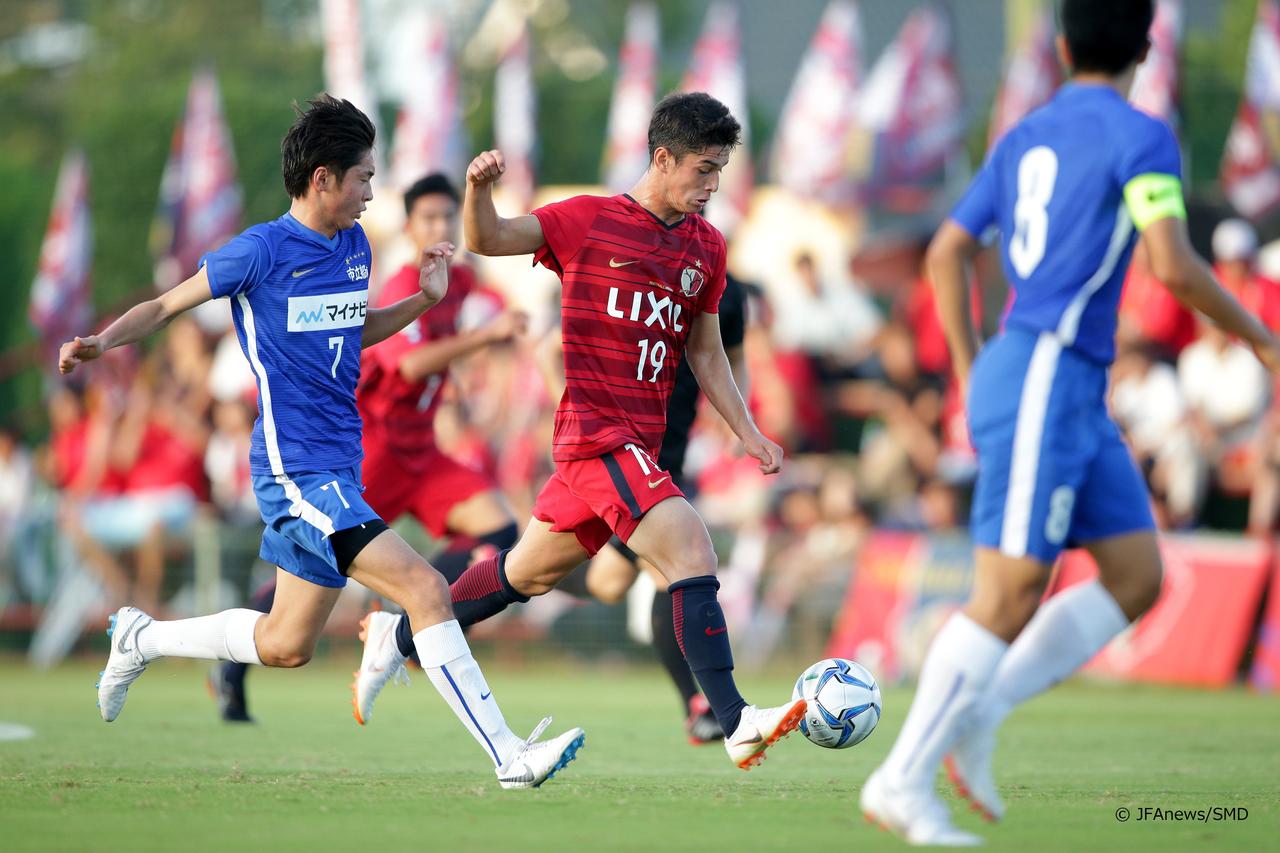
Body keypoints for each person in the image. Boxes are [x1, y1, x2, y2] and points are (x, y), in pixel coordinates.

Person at [60, 94, 583, 789]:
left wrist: (423, 301)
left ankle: (141, 636)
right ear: (323, 178)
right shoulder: (260, 250)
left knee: (285, 644)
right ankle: (510, 757)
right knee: (425, 586)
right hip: (295, 469)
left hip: (340, 464)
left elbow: (352, 331)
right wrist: (101, 342)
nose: (371, 192)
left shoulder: (354, 247)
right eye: (364, 177)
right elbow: (165, 304)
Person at [859, 1, 1280, 845]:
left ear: (1058, 46)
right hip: (1048, 370)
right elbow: (1172, 263)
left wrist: (972, 368)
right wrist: (1265, 341)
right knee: (1009, 590)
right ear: (1146, 47)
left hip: (1064, 381)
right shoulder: (1142, 134)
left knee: (1135, 575)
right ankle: (899, 779)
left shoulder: (1025, 133)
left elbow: (946, 251)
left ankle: (982, 713)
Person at [352, 91, 805, 770]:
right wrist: (478, 191)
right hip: (597, 434)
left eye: (720, 171)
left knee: (522, 573)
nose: (713, 185)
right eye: (704, 169)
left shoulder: (707, 248)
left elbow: (706, 352)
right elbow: (489, 239)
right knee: (689, 547)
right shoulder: (588, 219)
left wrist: (747, 430)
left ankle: (397, 635)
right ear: (663, 158)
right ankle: (735, 720)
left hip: (636, 444)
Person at [209, 172, 528, 724]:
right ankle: (232, 666)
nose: (441, 226)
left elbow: (444, 356)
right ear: (409, 227)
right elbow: (408, 363)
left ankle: (407, 629)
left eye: (447, 216)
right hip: (375, 449)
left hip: (424, 454)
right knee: (318, 564)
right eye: (429, 217)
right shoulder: (403, 280)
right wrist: (484, 336)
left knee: (499, 529)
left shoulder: (460, 282)